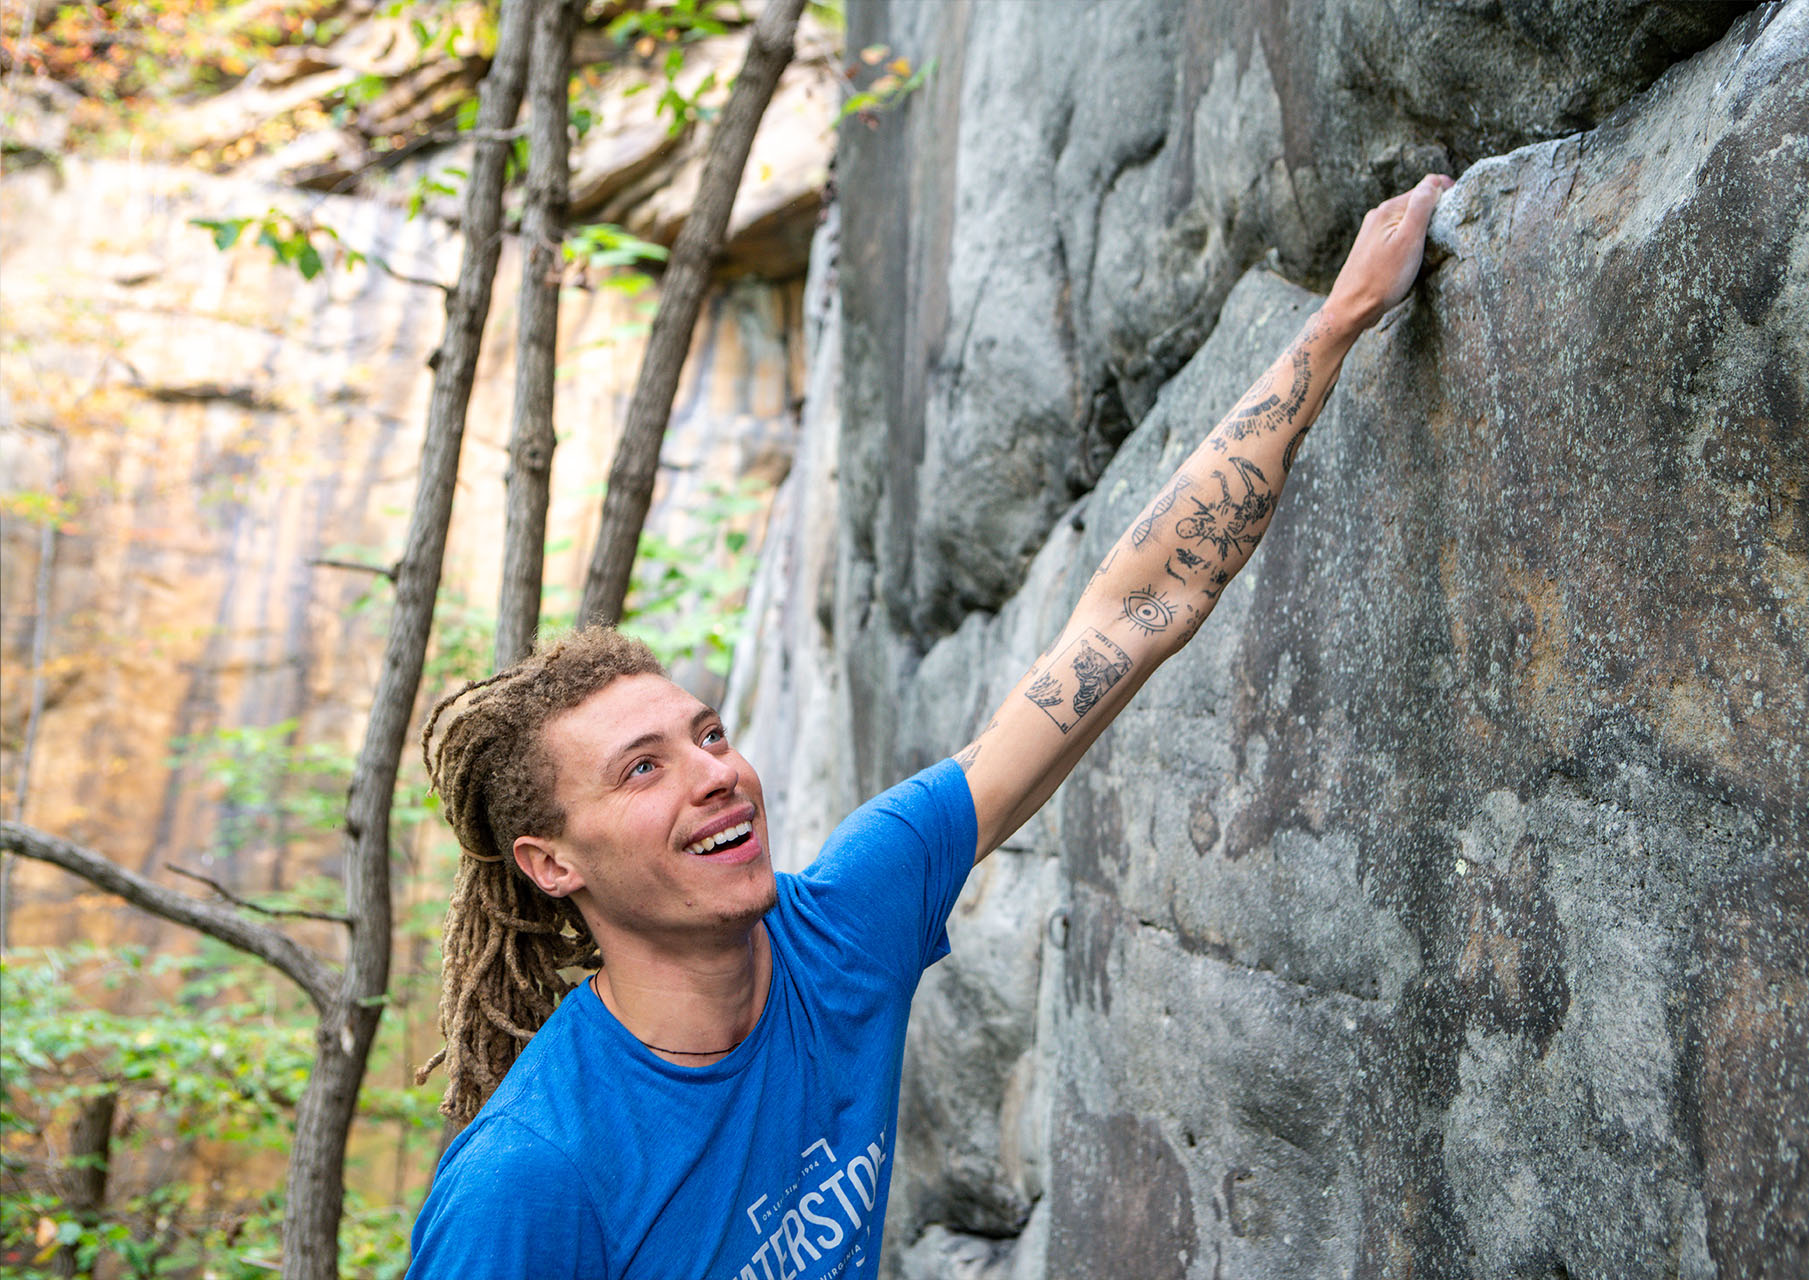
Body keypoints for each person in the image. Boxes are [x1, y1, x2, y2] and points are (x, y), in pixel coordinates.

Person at [405, 173, 1453, 1280]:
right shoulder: (532, 1179)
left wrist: (1335, 324)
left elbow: (1131, 614)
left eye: (708, 735)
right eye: (641, 769)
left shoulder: (846, 923)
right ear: (552, 860)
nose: (712, 774)